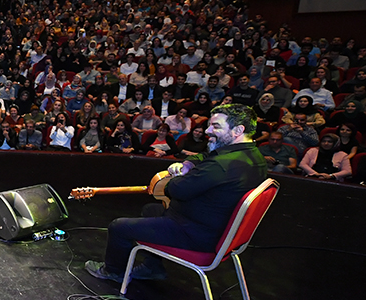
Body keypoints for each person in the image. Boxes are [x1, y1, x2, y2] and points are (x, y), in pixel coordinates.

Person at [86, 104, 268, 283]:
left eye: (216, 126)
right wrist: (187, 165)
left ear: (238, 130)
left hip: (195, 233)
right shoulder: (253, 157)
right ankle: (152, 268)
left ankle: (113, 272)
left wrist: (173, 177)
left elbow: (176, 190)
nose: (208, 131)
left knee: (119, 227)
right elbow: (204, 156)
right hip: (218, 229)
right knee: (151, 210)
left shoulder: (221, 165)